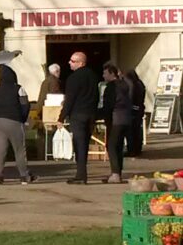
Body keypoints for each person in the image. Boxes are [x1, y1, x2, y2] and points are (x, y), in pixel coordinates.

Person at [60, 51, 101, 184]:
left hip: (78, 115)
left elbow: (69, 99)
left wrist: (61, 117)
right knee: (85, 144)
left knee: (79, 144)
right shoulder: (93, 76)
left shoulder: (73, 78)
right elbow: (96, 96)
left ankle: (81, 175)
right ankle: (81, 173)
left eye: (72, 61)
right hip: (90, 114)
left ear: (81, 63)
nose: (69, 63)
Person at [0, 62, 32, 183]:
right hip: (14, 120)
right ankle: (24, 176)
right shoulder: (19, 88)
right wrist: (22, 118)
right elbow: (25, 105)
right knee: (19, 149)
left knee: (0, 149)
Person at [102, 63, 144, 181]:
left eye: (105, 73)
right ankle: (118, 172)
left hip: (116, 119)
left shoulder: (111, 87)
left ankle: (115, 173)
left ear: (112, 74)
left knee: (111, 146)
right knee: (119, 146)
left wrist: (102, 116)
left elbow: (109, 105)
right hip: (127, 118)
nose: (103, 76)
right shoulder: (125, 85)